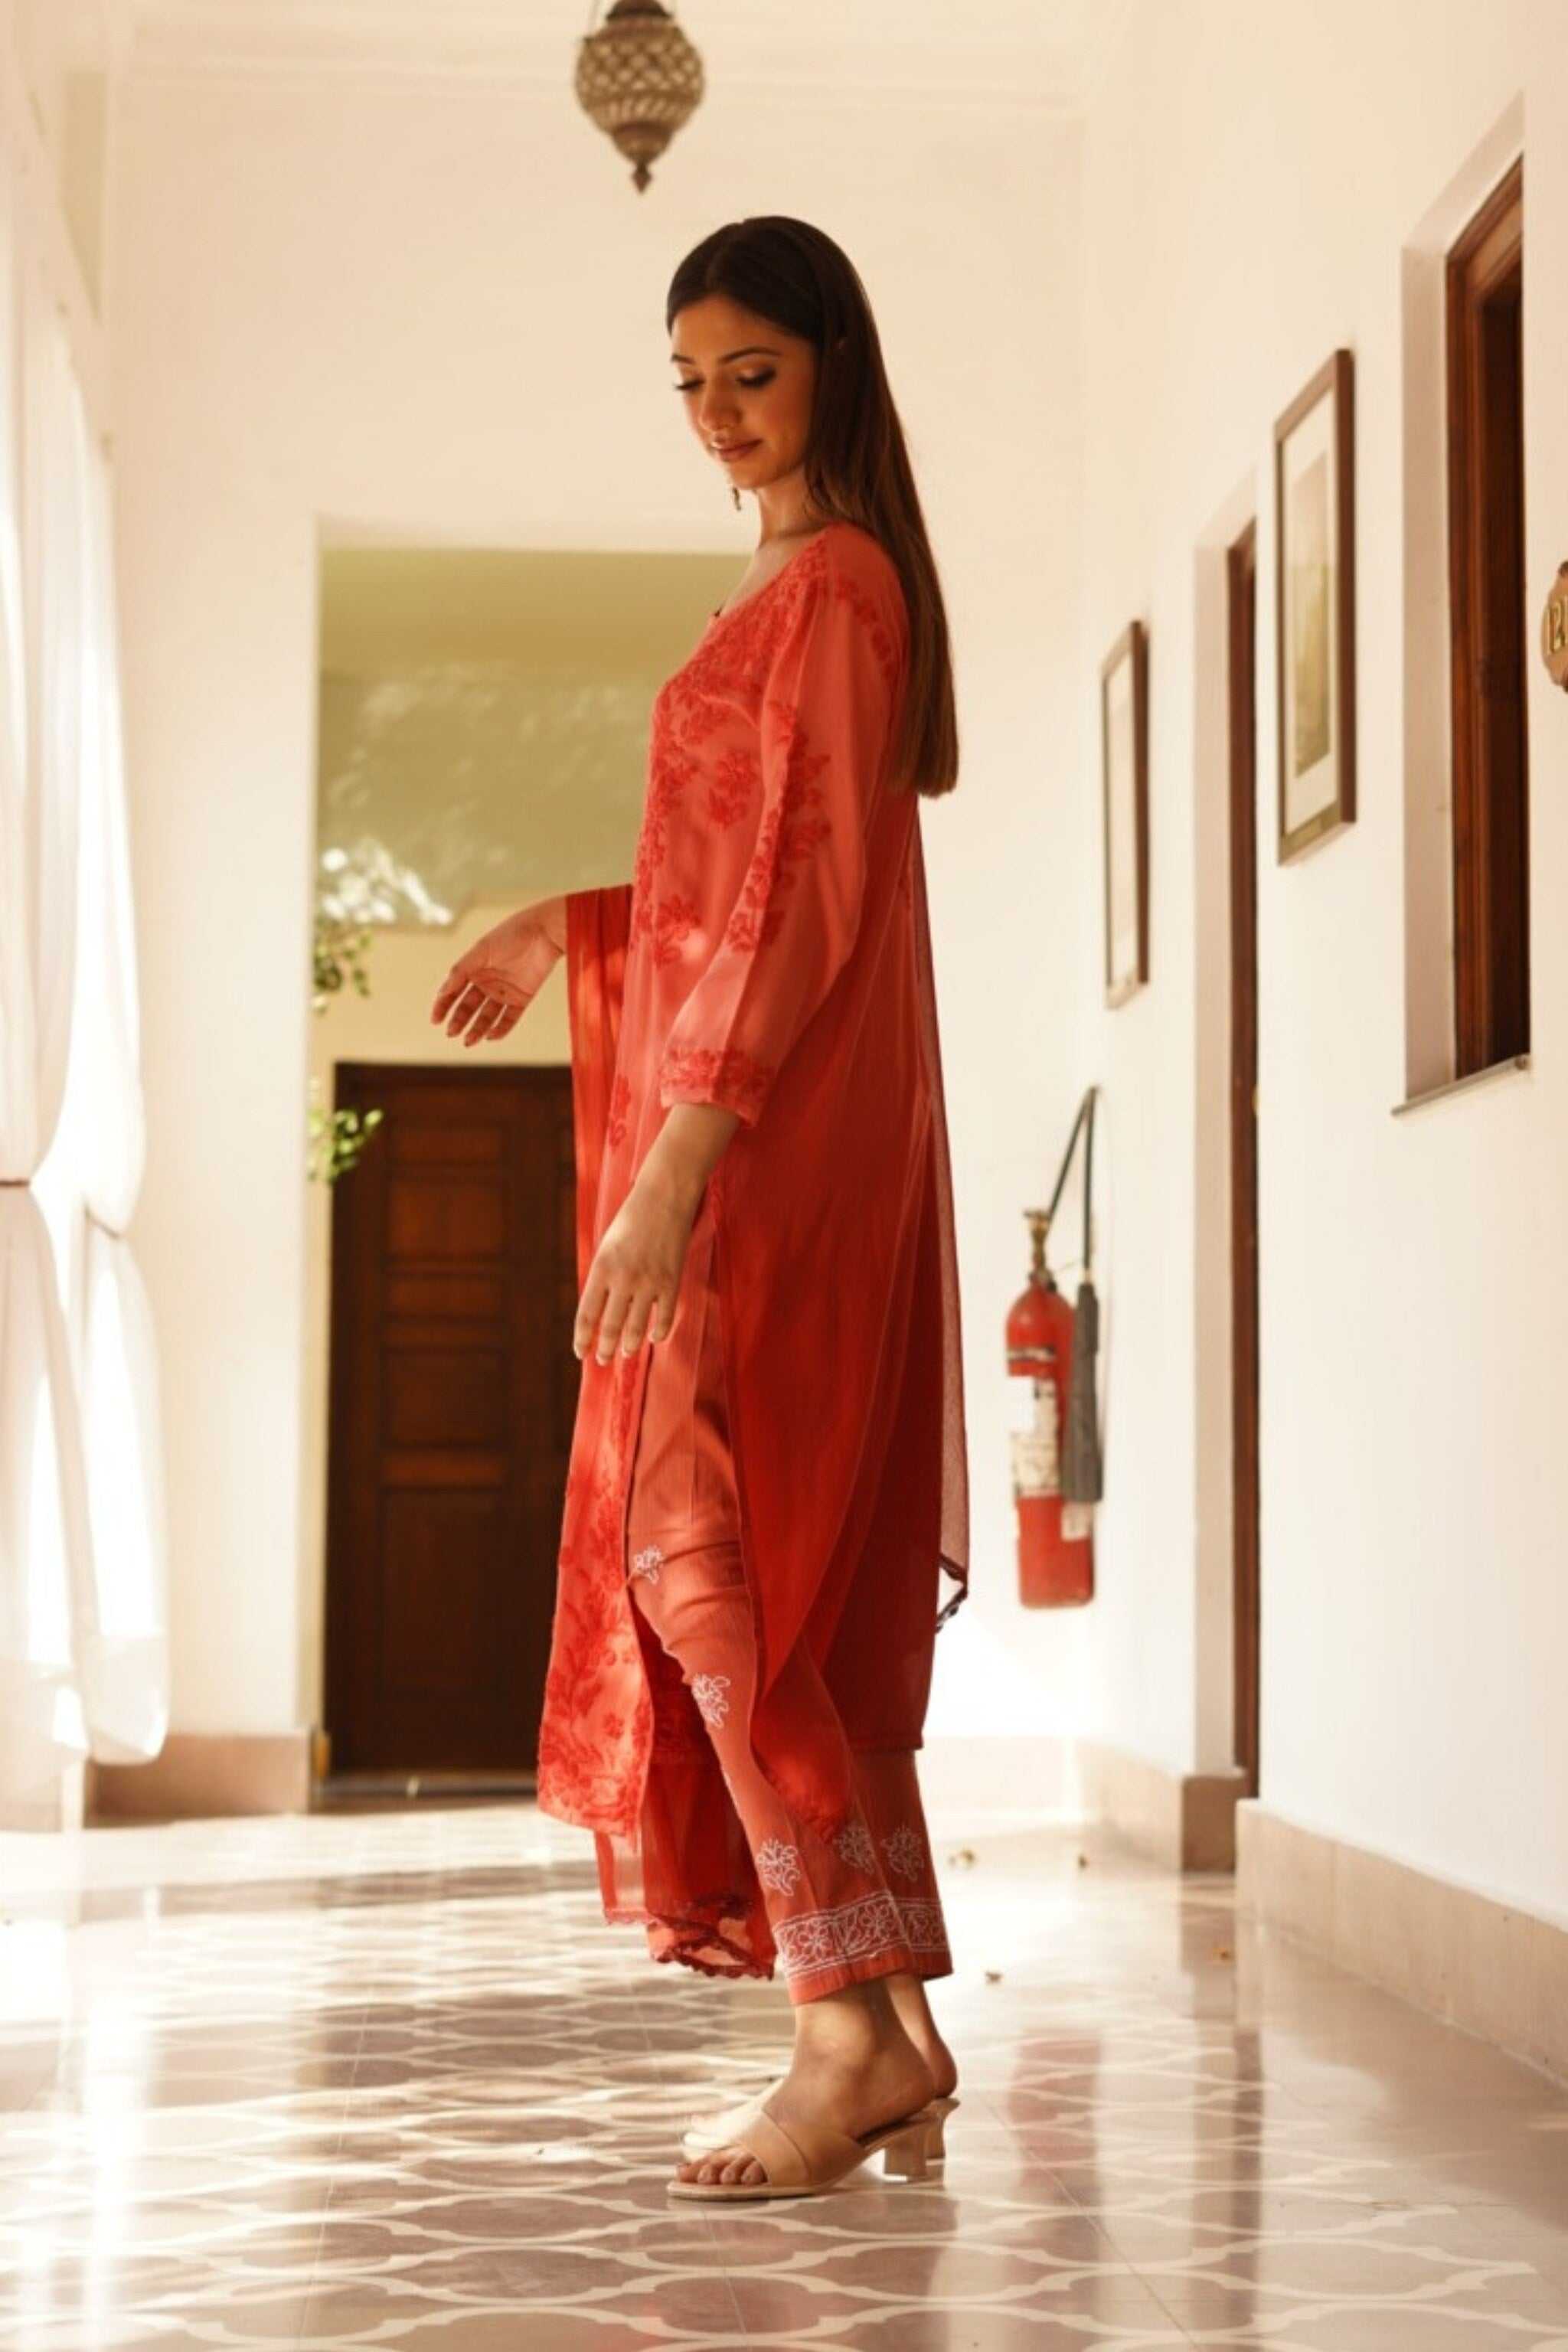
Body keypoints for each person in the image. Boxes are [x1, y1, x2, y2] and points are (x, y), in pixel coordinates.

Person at [430, 215, 969, 2203]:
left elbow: (799, 905)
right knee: (767, 1581)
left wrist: (677, 1161)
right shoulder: (810, 585)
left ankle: (833, 2033)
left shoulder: (832, 587)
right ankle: (898, 2026)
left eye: (753, 370)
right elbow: (723, 892)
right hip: (778, 1134)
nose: (720, 416)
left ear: (834, 358)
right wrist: (571, 923)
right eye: (692, 382)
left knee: (711, 1567)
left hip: (765, 1161)